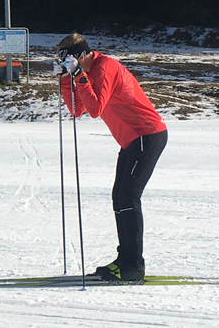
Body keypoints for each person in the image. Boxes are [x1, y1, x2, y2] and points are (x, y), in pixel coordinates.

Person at [56, 33, 167, 281]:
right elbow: (78, 108)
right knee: (119, 197)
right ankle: (125, 259)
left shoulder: (104, 66)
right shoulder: (85, 71)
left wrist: (79, 77)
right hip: (131, 139)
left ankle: (135, 265)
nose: (66, 63)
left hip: (146, 134)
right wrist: (66, 79)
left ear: (81, 55)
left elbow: (95, 110)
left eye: (68, 60)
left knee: (129, 196)